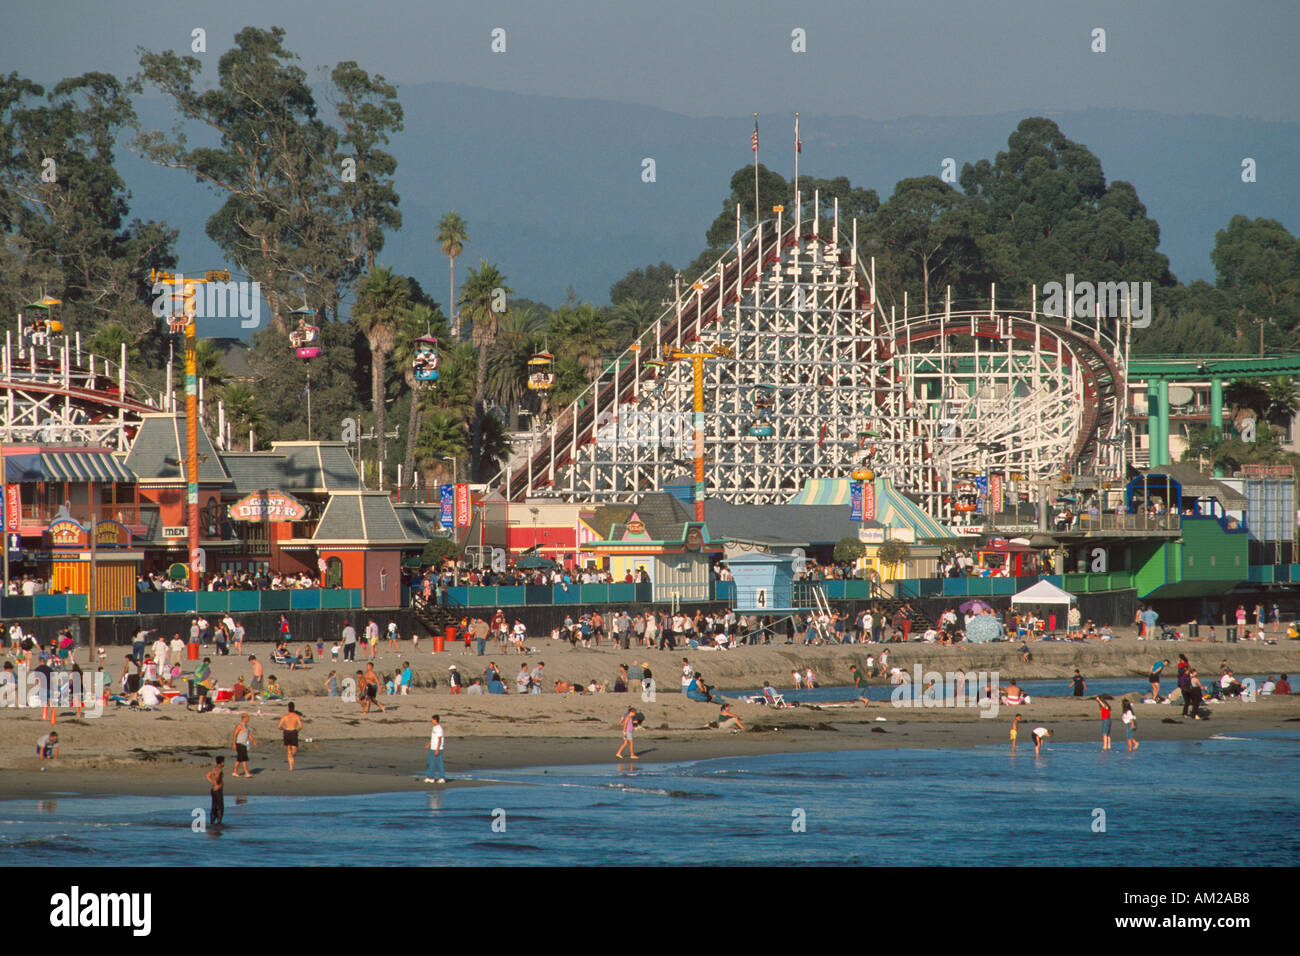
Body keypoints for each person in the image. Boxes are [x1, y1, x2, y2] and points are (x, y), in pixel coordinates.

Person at [277, 703, 304, 770]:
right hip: (293, 732)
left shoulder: (285, 716)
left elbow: (279, 726)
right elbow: (301, 726)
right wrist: (297, 730)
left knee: (289, 749)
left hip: (287, 732)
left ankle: (291, 766)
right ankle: (291, 764)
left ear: (288, 708)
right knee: (294, 749)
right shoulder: (296, 716)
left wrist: (284, 729)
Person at [424, 714, 446, 783]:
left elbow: (439, 739)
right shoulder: (434, 727)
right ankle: (430, 777)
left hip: (437, 748)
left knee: (439, 763)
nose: (432, 721)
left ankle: (442, 777)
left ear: (435, 720)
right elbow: (434, 738)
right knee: (430, 762)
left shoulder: (439, 728)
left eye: (433, 719)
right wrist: (429, 744)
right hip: (432, 748)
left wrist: (437, 749)